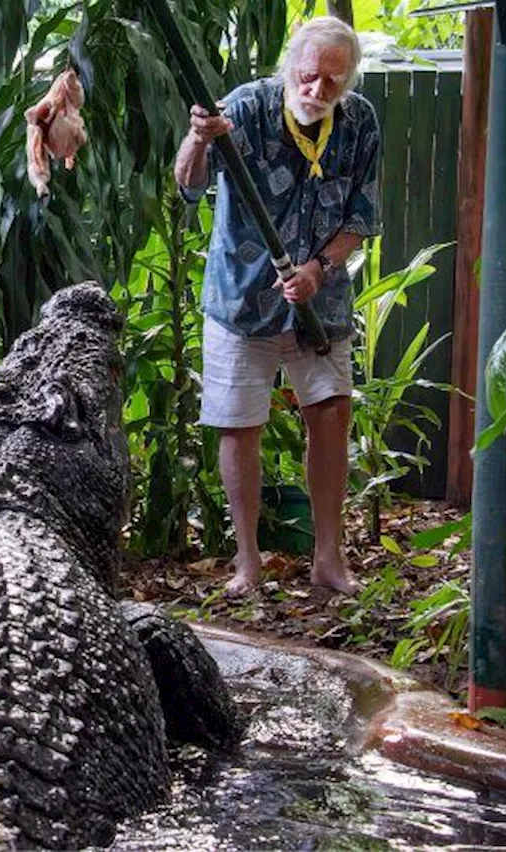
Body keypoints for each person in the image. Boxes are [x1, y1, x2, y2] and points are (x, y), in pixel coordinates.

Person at [173, 16, 381, 595]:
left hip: (321, 300)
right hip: (243, 299)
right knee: (240, 424)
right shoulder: (244, 108)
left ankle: (328, 560)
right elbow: (187, 185)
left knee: (332, 413)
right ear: (290, 67)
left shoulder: (360, 123)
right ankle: (247, 563)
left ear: (349, 83)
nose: (317, 91)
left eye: (332, 83)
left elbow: (361, 218)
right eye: (310, 76)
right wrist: (198, 137)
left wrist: (320, 268)